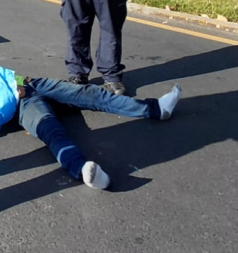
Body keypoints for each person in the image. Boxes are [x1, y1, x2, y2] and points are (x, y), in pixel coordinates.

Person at [17, 75, 181, 189]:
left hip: (32, 83)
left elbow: (5, 76)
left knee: (90, 93)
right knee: (50, 128)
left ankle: (156, 108)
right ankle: (82, 169)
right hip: (20, 104)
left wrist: (20, 80)